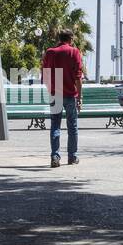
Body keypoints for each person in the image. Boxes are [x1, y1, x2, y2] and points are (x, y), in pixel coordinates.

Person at [41, 29, 84, 168]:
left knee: (55, 126)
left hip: (55, 94)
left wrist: (51, 90)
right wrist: (80, 97)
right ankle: (72, 157)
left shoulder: (50, 52)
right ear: (70, 39)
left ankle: (55, 156)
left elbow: (45, 74)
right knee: (72, 127)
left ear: (60, 38)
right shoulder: (74, 52)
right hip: (71, 95)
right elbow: (78, 77)